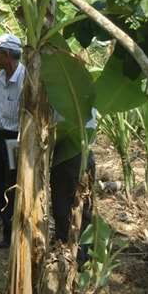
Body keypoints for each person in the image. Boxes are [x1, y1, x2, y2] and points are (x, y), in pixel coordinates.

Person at [0, 33, 25, 249]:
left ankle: (14, 234)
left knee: (13, 184)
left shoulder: (25, 78)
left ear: (6, 55)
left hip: (16, 139)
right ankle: (5, 229)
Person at [51, 109, 97, 267]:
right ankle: (80, 257)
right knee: (82, 210)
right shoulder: (86, 89)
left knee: (67, 210)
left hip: (69, 154)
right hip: (83, 153)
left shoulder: (64, 90)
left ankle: (74, 260)